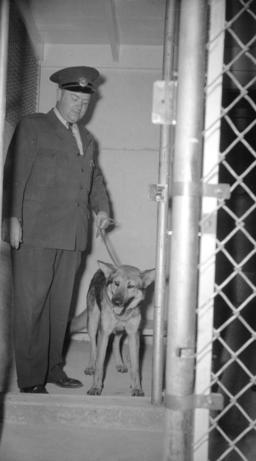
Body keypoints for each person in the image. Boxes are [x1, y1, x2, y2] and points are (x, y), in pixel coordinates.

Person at [4, 66, 111, 393]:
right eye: (75, 98)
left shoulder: (88, 139)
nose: (80, 105)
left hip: (73, 235)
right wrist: (11, 217)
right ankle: (31, 377)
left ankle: (53, 369)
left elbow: (93, 179)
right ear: (60, 94)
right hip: (35, 232)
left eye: (85, 101)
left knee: (58, 307)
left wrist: (103, 208)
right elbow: (14, 174)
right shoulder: (33, 127)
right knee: (31, 306)